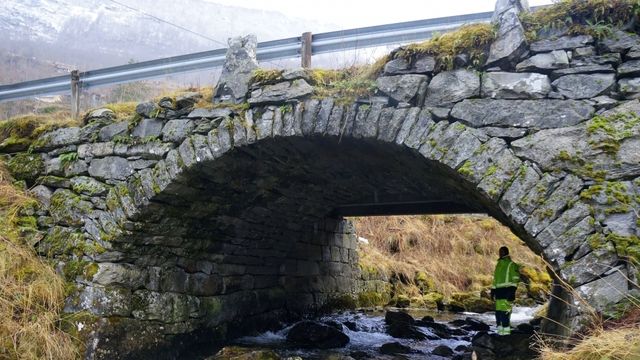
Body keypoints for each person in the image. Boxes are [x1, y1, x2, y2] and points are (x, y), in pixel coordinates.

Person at [490, 246, 520, 336]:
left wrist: (512, 291)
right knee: (498, 313)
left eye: (502, 252)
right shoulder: (498, 265)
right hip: (499, 293)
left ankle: (506, 335)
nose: (500, 253)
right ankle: (500, 334)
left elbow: (515, 279)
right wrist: (492, 291)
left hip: (507, 292)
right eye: (499, 252)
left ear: (506, 252)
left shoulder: (511, 264)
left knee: (505, 313)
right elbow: (495, 279)